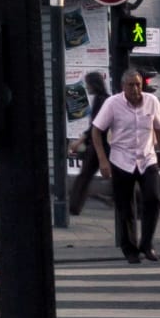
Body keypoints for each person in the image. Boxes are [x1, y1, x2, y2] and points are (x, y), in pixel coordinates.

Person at [90, 69, 160, 263]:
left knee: (153, 199)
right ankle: (130, 249)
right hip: (121, 159)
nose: (135, 89)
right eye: (131, 85)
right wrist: (103, 160)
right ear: (122, 87)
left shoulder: (151, 101)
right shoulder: (113, 104)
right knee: (125, 208)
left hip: (147, 158)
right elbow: (96, 130)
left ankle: (147, 243)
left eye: (138, 85)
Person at [67, 71, 111, 216]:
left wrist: (80, 140)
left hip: (101, 145)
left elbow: (95, 126)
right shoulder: (102, 99)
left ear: (94, 84)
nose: (87, 87)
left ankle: (74, 207)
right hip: (104, 144)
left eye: (88, 84)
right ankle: (74, 206)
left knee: (84, 176)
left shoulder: (102, 100)